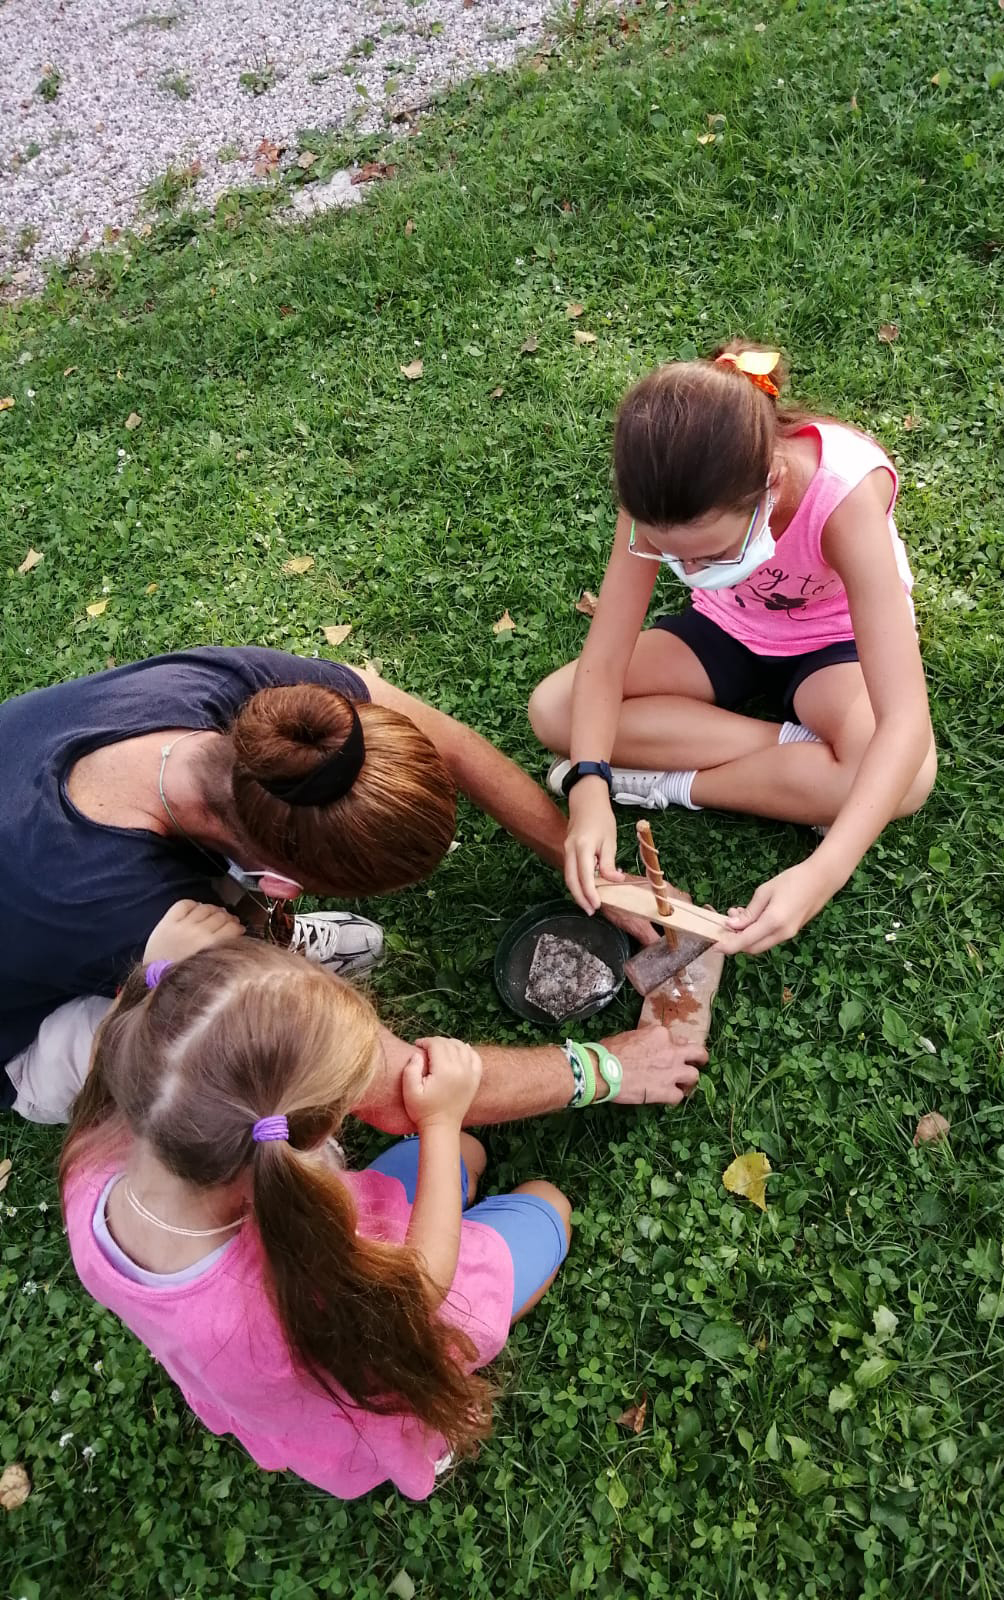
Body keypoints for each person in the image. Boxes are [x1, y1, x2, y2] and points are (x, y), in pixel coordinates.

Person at [1, 646, 699, 1124]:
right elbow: (397, 1089)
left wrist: (585, 866)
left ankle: (254, 946)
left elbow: (448, 742)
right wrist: (604, 1070)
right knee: (239, 1059)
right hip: (27, 1032)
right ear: (281, 882)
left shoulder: (264, 713)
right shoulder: (119, 906)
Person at [61, 912, 572, 1499]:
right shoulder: (289, 1300)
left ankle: (459, 1172)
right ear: (309, 1136)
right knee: (548, 1206)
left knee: (464, 1156)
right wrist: (438, 1119)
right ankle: (431, 1437)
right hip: (382, 1316)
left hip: (299, 1316)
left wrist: (154, 978)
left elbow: (117, 1057)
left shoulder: (90, 1166)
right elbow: (421, 1286)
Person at [528, 342, 937, 957]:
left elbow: (905, 719)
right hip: (726, 631)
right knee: (555, 710)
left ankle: (671, 783)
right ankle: (798, 757)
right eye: (673, 556)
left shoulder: (846, 494)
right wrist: (588, 787)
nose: (689, 568)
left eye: (713, 554)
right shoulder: (656, 492)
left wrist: (823, 871)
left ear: (769, 484)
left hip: (834, 644)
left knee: (908, 780)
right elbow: (603, 660)